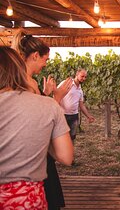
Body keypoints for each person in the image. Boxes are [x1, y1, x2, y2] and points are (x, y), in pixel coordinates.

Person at [0, 46, 74, 209]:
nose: (46, 64)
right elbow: (66, 157)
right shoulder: (48, 105)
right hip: (26, 198)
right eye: (45, 59)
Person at [59, 69, 95, 141]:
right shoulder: (66, 83)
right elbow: (56, 94)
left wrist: (88, 116)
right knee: (61, 137)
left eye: (85, 77)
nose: (84, 78)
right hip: (63, 115)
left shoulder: (80, 90)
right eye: (82, 76)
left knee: (72, 137)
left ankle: (70, 152)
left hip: (74, 116)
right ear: (77, 74)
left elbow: (81, 105)